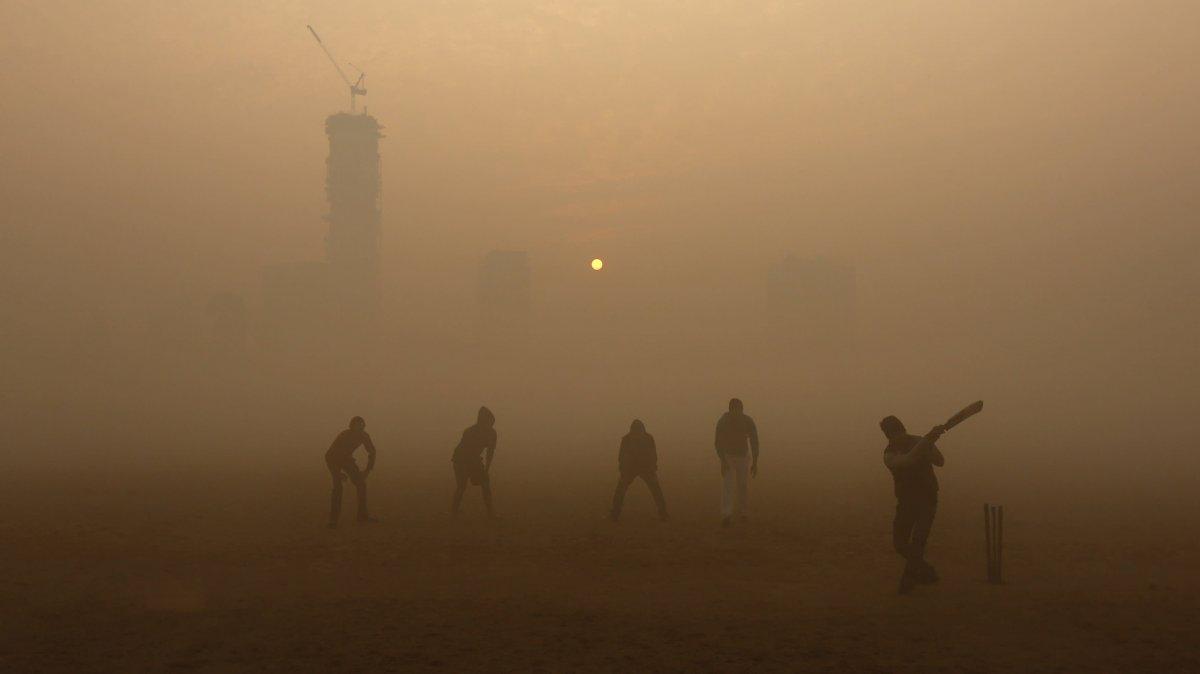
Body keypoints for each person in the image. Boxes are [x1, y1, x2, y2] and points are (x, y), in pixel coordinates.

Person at [881, 415, 946, 594]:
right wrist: (927, 441)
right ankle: (924, 571)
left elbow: (940, 461)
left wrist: (929, 444)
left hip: (928, 499)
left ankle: (910, 581)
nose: (898, 437)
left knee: (918, 543)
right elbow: (906, 462)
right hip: (906, 502)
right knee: (900, 544)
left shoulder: (919, 441)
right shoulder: (889, 453)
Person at [610, 419, 669, 522]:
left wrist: (622, 467)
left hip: (635, 468)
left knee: (621, 490)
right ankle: (663, 512)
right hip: (639, 468)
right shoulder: (647, 438)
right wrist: (653, 465)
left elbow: (622, 455)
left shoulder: (628, 439)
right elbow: (653, 453)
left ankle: (615, 513)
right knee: (655, 490)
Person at [325, 416, 377, 528]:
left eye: (361, 425)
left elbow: (372, 452)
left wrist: (367, 470)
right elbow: (331, 455)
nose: (359, 427)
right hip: (333, 459)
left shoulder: (364, 436)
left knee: (361, 484)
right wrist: (337, 473)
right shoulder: (344, 435)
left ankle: (362, 515)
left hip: (347, 460)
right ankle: (333, 520)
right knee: (338, 487)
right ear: (351, 426)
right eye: (357, 425)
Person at [714, 398, 759, 526]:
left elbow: (754, 440)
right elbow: (718, 442)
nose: (737, 413)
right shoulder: (723, 422)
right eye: (735, 410)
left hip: (743, 457)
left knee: (743, 485)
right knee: (727, 485)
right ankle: (726, 514)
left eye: (739, 410)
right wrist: (722, 460)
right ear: (730, 410)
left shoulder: (747, 421)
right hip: (728, 456)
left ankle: (744, 512)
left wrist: (755, 461)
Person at [451, 406, 497, 518]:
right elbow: (466, 452)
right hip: (460, 459)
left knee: (486, 484)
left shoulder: (492, 434)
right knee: (461, 486)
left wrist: (486, 469)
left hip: (474, 459)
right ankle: (454, 511)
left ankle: (490, 513)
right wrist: (477, 470)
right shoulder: (469, 432)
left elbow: (490, 452)